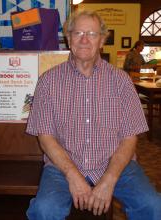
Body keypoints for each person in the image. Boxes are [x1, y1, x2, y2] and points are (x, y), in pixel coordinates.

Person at [26, 10, 161, 220]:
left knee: (153, 206)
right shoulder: (48, 81)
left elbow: (129, 138)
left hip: (117, 165)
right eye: (78, 32)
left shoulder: (121, 81)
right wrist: (73, 175)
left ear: (102, 40)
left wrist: (109, 178)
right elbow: (45, 138)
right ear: (68, 38)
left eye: (92, 33)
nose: (84, 39)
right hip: (63, 166)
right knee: (45, 210)